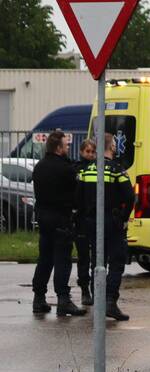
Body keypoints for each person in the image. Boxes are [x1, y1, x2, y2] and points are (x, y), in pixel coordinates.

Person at [75, 133, 135, 321]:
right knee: (117, 261)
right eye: (115, 144)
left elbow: (79, 197)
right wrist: (124, 217)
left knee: (97, 261)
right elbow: (130, 196)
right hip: (112, 221)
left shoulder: (86, 170)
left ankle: (98, 300)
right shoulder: (116, 170)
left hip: (91, 222)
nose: (116, 146)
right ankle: (110, 301)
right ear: (110, 146)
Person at [31, 131, 86, 316]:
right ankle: (63, 299)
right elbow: (77, 195)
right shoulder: (66, 169)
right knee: (62, 260)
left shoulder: (39, 167)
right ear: (58, 147)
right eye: (66, 145)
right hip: (61, 219)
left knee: (44, 259)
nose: (68, 147)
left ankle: (39, 299)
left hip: (43, 218)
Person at [74, 139, 97, 305]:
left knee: (97, 256)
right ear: (82, 152)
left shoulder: (98, 167)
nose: (90, 154)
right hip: (81, 218)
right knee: (83, 257)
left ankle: (97, 289)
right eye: (87, 151)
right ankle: (84, 289)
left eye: (92, 151)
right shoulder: (76, 169)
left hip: (95, 217)